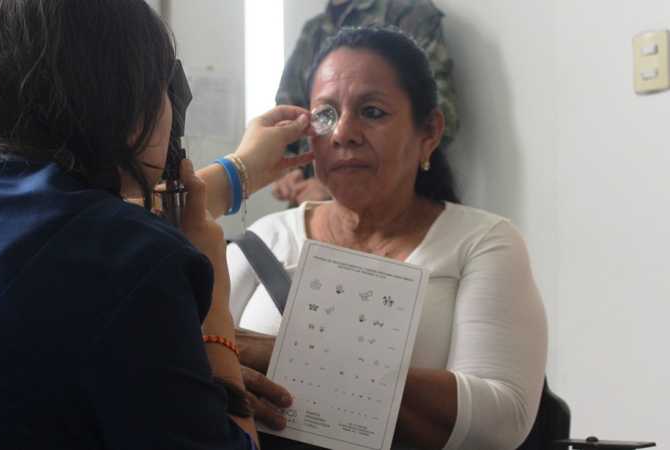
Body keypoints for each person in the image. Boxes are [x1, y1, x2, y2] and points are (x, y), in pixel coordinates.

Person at [0, 0, 312, 448]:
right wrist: (214, 320)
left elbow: (55, 229)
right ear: (136, 112)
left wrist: (240, 169)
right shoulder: (139, 261)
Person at [228, 25, 547, 450]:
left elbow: (499, 420)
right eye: (325, 115)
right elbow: (189, 367)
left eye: (372, 112)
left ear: (429, 133)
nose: (342, 133)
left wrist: (270, 355)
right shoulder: (262, 241)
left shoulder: (481, 243)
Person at [271, 0, 459, 207]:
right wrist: (290, 172)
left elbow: (438, 110)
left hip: (393, 207)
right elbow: (289, 108)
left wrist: (339, 181)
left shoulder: (407, 12)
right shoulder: (314, 29)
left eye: (371, 112)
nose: (341, 134)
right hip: (309, 202)